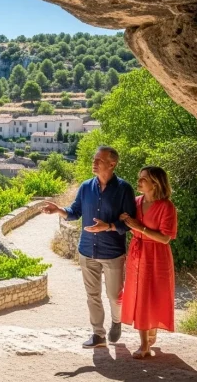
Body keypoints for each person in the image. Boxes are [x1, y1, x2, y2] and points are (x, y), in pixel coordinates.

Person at [42, 146, 136, 348]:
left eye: (99, 160)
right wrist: (59, 210)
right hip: (87, 250)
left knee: (114, 295)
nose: (94, 163)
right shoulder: (86, 187)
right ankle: (98, 334)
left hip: (112, 252)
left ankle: (117, 322)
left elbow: (129, 222)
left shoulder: (124, 189)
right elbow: (75, 212)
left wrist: (109, 226)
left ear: (112, 164)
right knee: (92, 295)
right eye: (94, 159)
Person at [118, 166, 178, 359]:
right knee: (139, 296)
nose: (139, 182)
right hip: (137, 253)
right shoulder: (136, 202)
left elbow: (165, 238)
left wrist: (140, 227)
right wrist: (124, 219)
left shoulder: (167, 207)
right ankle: (144, 345)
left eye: (143, 179)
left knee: (154, 295)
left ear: (155, 182)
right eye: (139, 178)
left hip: (157, 256)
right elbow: (128, 224)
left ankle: (150, 335)